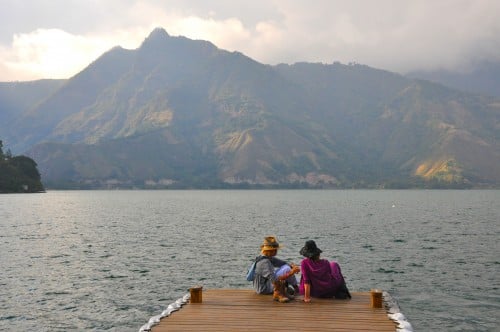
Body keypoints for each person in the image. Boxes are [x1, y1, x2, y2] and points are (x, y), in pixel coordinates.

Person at [252, 236, 300, 303]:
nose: (277, 251)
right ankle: (279, 294)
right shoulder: (264, 262)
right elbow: (274, 280)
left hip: (267, 283)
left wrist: (292, 266)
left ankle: (292, 289)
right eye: (276, 249)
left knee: (287, 267)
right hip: (263, 288)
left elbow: (283, 263)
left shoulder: (268, 257)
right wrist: (291, 273)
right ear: (272, 250)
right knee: (287, 269)